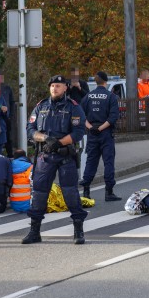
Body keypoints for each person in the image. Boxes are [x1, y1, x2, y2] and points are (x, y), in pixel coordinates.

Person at [21, 75, 87, 245]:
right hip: (45, 156)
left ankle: (78, 231)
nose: (54, 88)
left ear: (65, 88)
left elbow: (78, 132)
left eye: (58, 85)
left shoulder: (74, 107)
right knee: (39, 195)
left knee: (70, 193)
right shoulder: (40, 106)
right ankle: (34, 232)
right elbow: (30, 129)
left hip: (65, 156)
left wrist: (57, 143)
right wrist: (44, 138)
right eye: (52, 86)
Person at [79, 71, 121, 201]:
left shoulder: (88, 96)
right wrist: (101, 128)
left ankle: (86, 191)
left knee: (91, 161)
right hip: (106, 133)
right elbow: (113, 117)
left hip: (92, 133)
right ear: (105, 81)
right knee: (108, 162)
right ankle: (109, 192)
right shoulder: (111, 96)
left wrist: (91, 127)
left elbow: (81, 115)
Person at [0, 72, 15, 158]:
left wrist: (11, 114)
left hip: (6, 116)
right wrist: (0, 106)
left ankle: (10, 155)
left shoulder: (7, 88)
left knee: (8, 137)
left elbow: (12, 102)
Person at [9, 149, 33, 213]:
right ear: (25, 156)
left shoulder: (9, 166)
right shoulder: (31, 167)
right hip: (29, 205)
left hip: (14, 206)